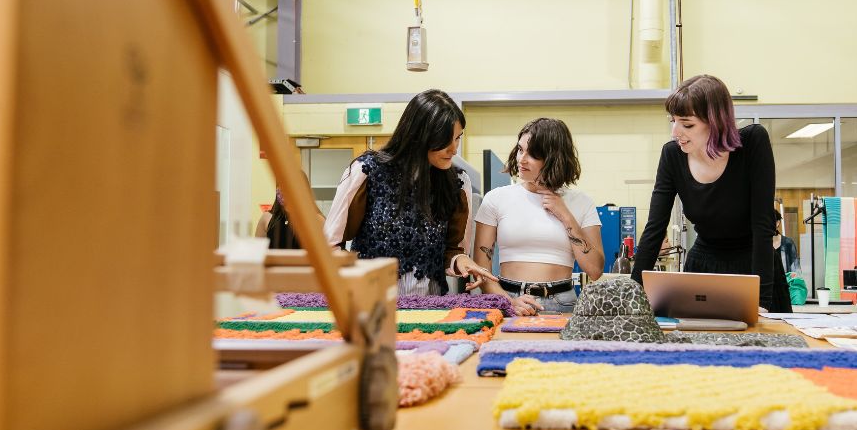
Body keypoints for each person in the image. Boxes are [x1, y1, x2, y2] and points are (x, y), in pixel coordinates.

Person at [631, 74, 792, 313]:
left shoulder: (752, 143)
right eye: (673, 121)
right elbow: (654, 230)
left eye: (687, 124)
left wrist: (762, 302)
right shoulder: (672, 156)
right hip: (703, 267)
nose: (676, 132)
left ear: (715, 122)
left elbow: (762, 226)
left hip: (754, 268)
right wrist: (631, 294)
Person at [324, 89, 496, 295]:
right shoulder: (367, 171)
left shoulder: (458, 182)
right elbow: (330, 244)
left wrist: (462, 261)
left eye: (457, 138)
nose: (454, 149)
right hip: (372, 302)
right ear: (419, 136)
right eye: (445, 140)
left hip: (429, 306)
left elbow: (453, 251)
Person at [472, 118, 604, 315]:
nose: (522, 159)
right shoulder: (496, 199)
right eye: (520, 149)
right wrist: (508, 302)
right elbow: (481, 269)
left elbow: (594, 270)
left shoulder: (581, 202)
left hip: (563, 303)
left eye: (533, 154)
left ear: (554, 158)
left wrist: (565, 215)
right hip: (507, 299)